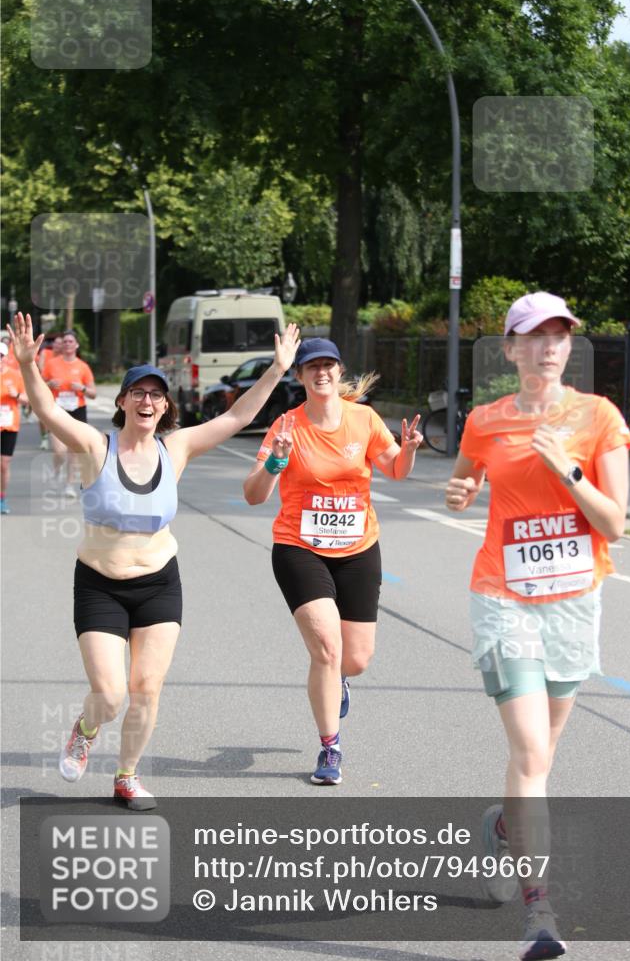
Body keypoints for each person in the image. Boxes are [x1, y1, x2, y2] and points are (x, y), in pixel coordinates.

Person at [9, 311, 300, 810]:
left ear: (165, 405)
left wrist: (276, 369)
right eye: (138, 393)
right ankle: (84, 730)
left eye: (156, 395)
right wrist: (26, 365)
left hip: (159, 584)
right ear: (122, 402)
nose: (147, 401)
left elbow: (236, 418)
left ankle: (126, 775)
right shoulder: (94, 446)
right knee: (110, 694)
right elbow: (47, 410)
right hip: (100, 584)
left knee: (146, 688)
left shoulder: (176, 448)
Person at [445, 292, 630, 961]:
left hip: (574, 603)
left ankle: (503, 827)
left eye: (558, 334)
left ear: (568, 346)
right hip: (504, 597)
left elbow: (615, 524)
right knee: (530, 755)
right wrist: (461, 493)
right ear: (510, 349)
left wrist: (569, 470)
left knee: (540, 757)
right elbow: (463, 481)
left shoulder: (597, 416)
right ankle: (540, 911)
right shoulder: (486, 421)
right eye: (532, 335)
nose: (547, 346)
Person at [244, 337, 422, 785]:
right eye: (312, 366)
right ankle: (330, 747)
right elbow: (253, 495)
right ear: (300, 376)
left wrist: (409, 449)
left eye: (328, 365)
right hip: (299, 548)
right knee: (326, 647)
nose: (321, 372)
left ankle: (339, 678)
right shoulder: (287, 424)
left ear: (339, 372)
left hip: (358, 548)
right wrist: (276, 462)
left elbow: (396, 470)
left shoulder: (364, 419)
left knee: (355, 659)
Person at [41, 329, 96, 496]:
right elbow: (39, 387)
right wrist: (49, 384)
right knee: (59, 451)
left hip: (77, 411)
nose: (67, 344)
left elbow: (93, 393)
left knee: (74, 451)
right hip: (57, 410)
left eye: (71, 341)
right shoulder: (52, 364)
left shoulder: (83, 367)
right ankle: (57, 470)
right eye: (65, 341)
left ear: (76, 345)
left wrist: (82, 388)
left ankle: (69, 485)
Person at [0, 341, 29, 514]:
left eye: (0, 356)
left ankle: (2, 498)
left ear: (5, 358)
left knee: (4, 465)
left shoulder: (15, 375)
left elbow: (27, 400)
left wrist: (16, 395)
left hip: (9, 426)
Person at [37, 331, 63, 449]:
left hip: (59, 392)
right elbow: (41, 368)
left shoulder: (65, 357)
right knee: (43, 416)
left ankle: (58, 439)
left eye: (59, 344)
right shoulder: (45, 353)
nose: (56, 345)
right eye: (55, 343)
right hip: (45, 386)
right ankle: (44, 438)